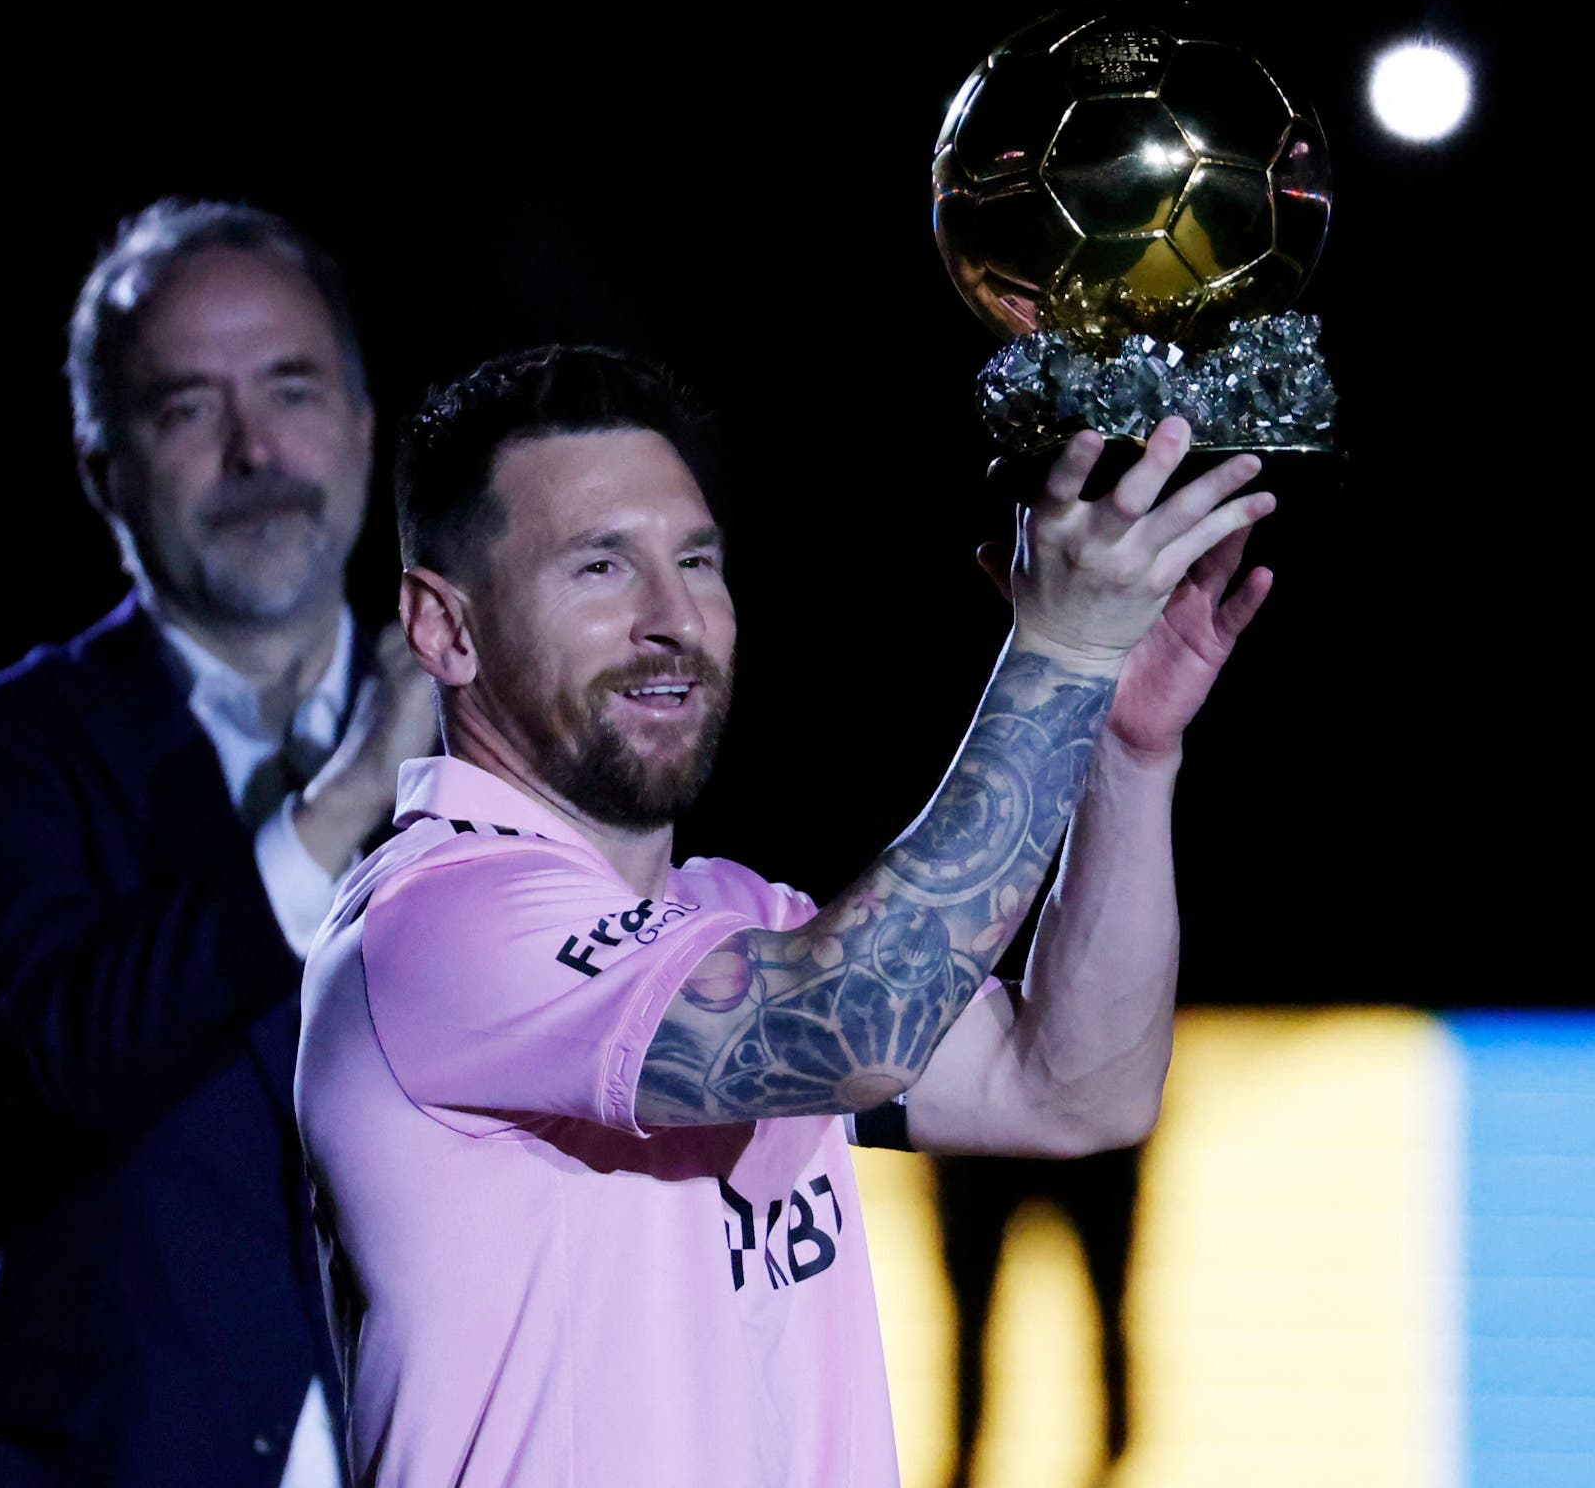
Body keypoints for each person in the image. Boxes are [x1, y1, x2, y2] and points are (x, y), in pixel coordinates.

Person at [295, 344, 1275, 1487]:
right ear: (443, 629)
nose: (673, 617)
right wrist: (1057, 653)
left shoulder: (734, 917)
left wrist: (1119, 746)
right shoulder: (435, 926)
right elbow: (856, 1022)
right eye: (600, 567)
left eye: (695, 561)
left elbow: (1074, 1090)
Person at [0, 200, 436, 1487]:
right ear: (101, 469)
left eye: (291, 389)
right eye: (187, 408)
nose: (255, 450)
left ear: (363, 424)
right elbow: (69, 1047)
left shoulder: (486, 736)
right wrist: (347, 798)